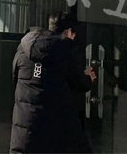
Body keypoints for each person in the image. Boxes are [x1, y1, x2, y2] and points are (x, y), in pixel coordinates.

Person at [10, 11, 97, 153]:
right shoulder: (64, 51)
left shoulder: (23, 49)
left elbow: (15, 77)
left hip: (24, 123)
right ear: (68, 32)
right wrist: (88, 77)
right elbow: (80, 82)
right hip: (51, 125)